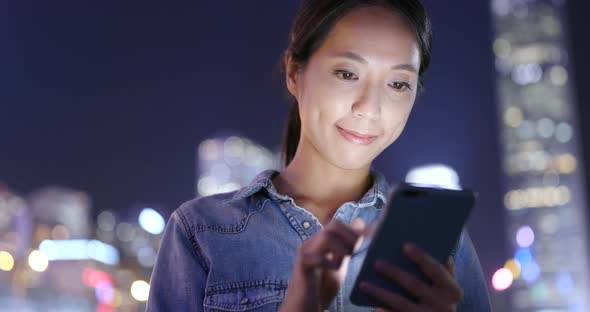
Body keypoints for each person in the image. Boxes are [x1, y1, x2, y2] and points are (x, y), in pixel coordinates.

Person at [147, 0, 492, 311]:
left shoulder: (439, 242)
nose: (370, 108)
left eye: (398, 84)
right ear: (294, 73)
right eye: (347, 73)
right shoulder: (202, 231)